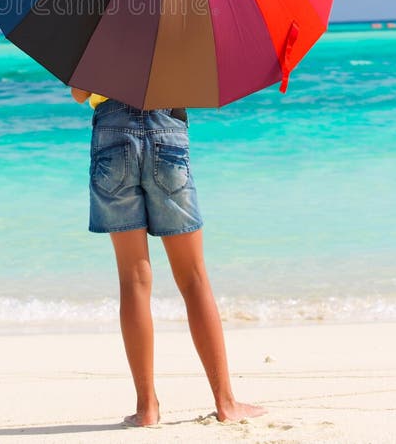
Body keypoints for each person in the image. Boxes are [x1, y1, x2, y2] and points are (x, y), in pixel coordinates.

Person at [71, 87, 266, 428]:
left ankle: (147, 408)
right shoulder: (185, 30)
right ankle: (225, 402)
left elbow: (78, 93)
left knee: (133, 279)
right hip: (166, 124)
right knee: (193, 278)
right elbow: (201, 81)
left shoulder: (96, 30)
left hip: (112, 132)